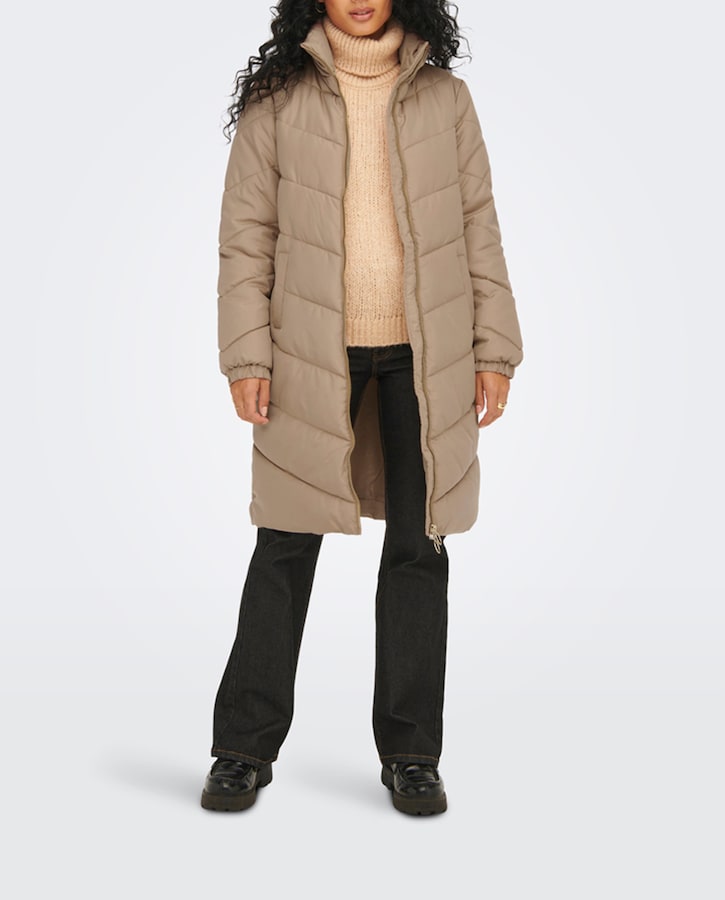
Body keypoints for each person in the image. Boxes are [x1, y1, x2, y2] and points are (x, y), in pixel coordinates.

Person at [201, 0, 524, 817]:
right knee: (285, 542)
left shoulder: (445, 97)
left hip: (426, 352)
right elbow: (246, 235)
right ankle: (242, 747)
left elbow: (478, 227)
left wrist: (494, 348)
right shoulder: (277, 99)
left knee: (419, 547)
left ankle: (412, 753)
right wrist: (246, 355)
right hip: (310, 352)